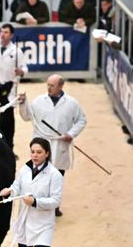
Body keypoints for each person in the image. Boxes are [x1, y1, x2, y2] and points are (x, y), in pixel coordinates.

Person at [18, 75, 87, 216]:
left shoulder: (72, 103)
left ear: (61, 86)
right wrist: (23, 103)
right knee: (38, 174)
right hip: (41, 143)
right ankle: (36, 202)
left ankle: (54, 205)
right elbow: (26, 117)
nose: (49, 88)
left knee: (57, 176)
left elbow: (81, 120)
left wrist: (71, 134)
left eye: (52, 85)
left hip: (60, 143)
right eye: (48, 84)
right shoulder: (38, 101)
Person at [0, 139, 64, 247]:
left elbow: (55, 201)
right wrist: (10, 190)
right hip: (25, 224)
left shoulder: (55, 174)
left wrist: (35, 202)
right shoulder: (25, 169)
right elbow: (17, 185)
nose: (35, 155)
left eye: (39, 152)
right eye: (33, 152)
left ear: (47, 153)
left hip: (43, 226)